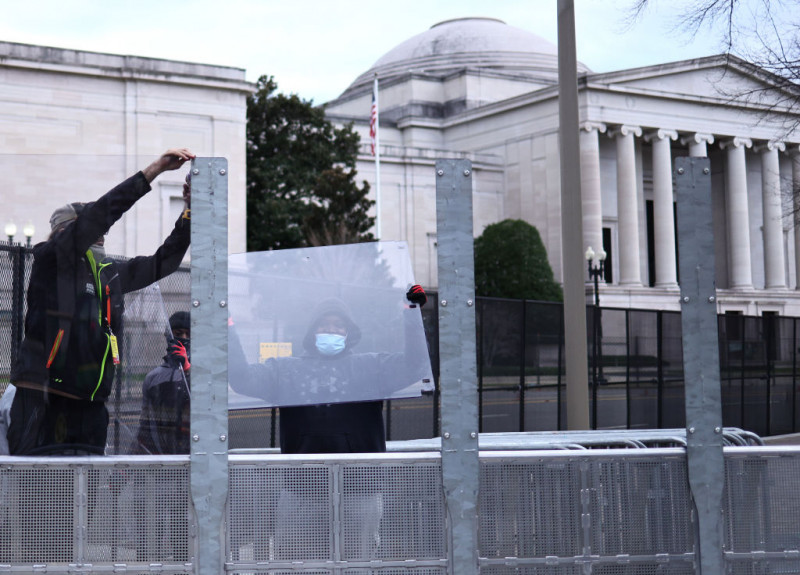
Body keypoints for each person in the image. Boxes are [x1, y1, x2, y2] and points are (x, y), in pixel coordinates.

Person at [7, 148, 195, 456]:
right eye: (94, 229)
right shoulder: (51, 259)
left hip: (91, 406)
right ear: (63, 233)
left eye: (103, 231)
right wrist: (154, 171)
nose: (102, 235)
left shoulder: (109, 274)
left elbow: (165, 261)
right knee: (39, 493)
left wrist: (189, 212)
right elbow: (101, 214)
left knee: (87, 494)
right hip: (45, 398)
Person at [228, 285, 428, 563]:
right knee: (298, 566)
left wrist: (412, 313)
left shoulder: (371, 368)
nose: (331, 330)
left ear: (349, 333)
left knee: (356, 565)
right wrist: (227, 324)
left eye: (338, 325)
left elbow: (414, 364)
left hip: (360, 491)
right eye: (324, 324)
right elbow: (242, 378)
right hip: (302, 491)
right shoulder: (287, 371)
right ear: (312, 332)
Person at [135, 311, 191, 454]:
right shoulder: (154, 378)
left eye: (189, 334)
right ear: (169, 336)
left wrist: (187, 371)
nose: (184, 338)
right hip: (163, 458)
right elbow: (146, 424)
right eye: (178, 334)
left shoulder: (204, 376)